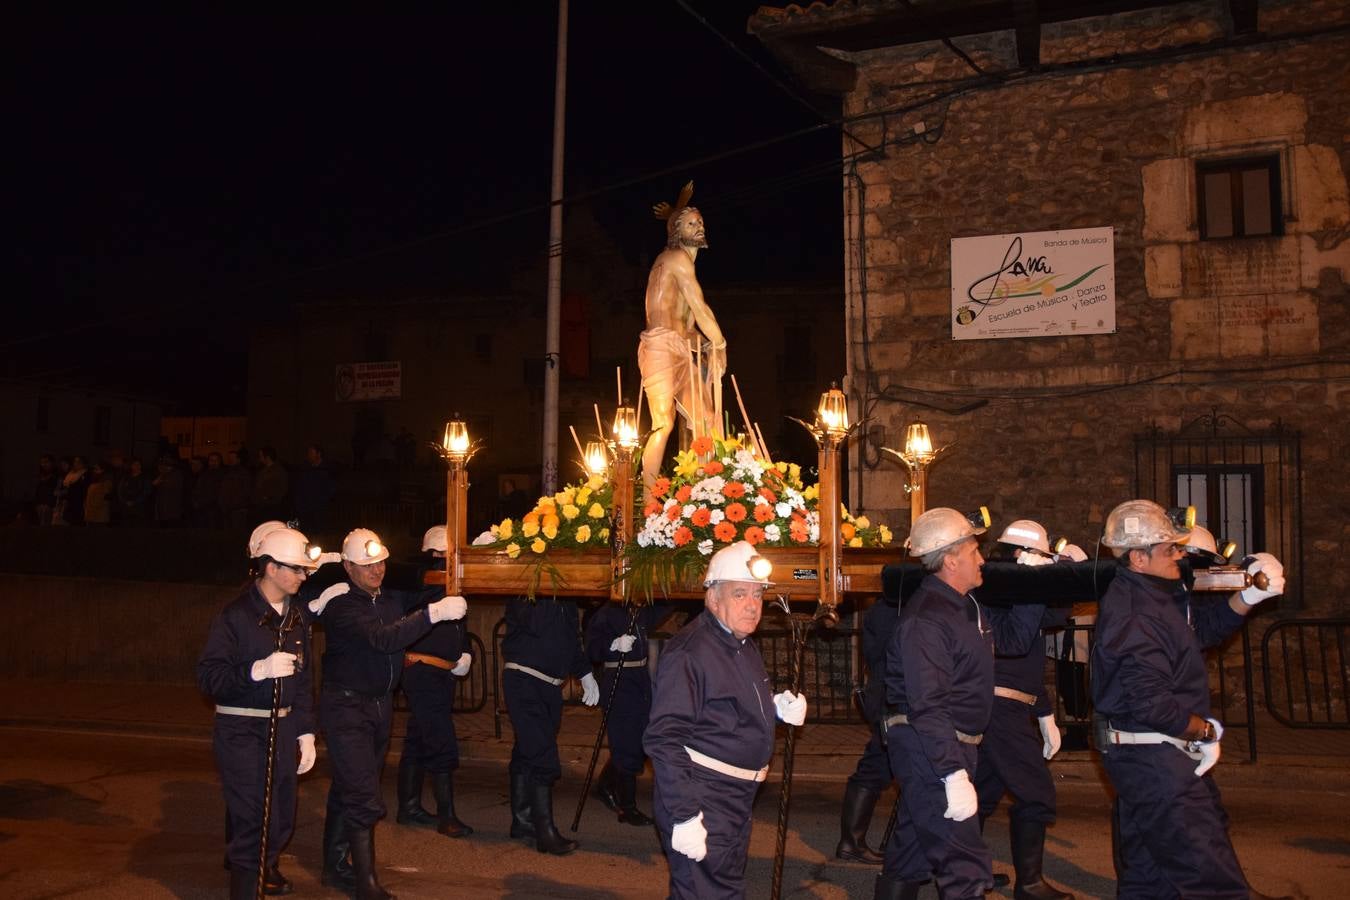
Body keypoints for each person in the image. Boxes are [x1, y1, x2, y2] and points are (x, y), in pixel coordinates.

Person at [1093, 500, 1289, 900]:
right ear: (1138, 558)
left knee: (1150, 879)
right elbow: (1151, 704)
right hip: (1154, 760)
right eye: (1170, 549)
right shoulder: (1136, 613)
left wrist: (1247, 598)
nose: (1179, 555)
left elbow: (1197, 632)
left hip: (1149, 758)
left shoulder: (1156, 595)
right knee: (1211, 878)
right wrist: (1202, 729)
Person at [876, 508, 1045, 900]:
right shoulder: (928, 620)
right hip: (931, 749)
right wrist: (951, 774)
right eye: (973, 550)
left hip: (949, 747)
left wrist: (1033, 583)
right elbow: (927, 704)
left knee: (910, 854)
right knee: (965, 868)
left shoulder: (967, 606)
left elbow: (1016, 641)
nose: (982, 558)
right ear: (951, 559)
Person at [645, 541, 808, 899]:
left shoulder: (740, 643)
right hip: (704, 797)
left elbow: (724, 709)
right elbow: (664, 738)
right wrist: (686, 816)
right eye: (739, 594)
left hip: (734, 799)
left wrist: (775, 707)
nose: (752, 605)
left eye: (757, 595)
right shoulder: (690, 652)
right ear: (713, 598)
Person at [316, 527, 467, 899]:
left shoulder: (387, 598)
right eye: (366, 565)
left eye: (380, 561)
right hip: (347, 706)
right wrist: (433, 613)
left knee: (348, 788)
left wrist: (465, 566)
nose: (376, 569)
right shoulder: (342, 605)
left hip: (380, 706)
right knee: (364, 795)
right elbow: (385, 638)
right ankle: (366, 883)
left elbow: (424, 583)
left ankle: (335, 865)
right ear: (348, 567)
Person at [196, 524, 319, 898]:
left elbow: (304, 681)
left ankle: (262, 872)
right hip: (241, 730)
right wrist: (256, 671)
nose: (303, 576)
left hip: (281, 731)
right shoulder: (236, 616)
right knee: (253, 823)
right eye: (295, 568)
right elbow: (209, 676)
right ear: (270, 568)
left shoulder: (296, 617)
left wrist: (305, 731)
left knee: (280, 820)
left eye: (304, 569)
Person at [975, 520, 1074, 900]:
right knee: (1036, 794)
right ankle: (1029, 885)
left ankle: (971, 872)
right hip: (999, 708)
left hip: (1010, 707)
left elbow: (1052, 618)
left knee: (982, 793)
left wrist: (1064, 575)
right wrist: (1032, 587)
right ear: (1018, 555)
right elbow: (1015, 642)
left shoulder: (1018, 594)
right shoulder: (991, 594)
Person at [639, 182, 726, 494]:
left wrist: (704, 343)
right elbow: (700, 309)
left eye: (700, 221)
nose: (698, 225)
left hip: (678, 347)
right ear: (676, 231)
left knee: (708, 419)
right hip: (660, 345)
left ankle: (709, 492)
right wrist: (720, 343)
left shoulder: (684, 266)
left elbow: (688, 325)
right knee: (663, 423)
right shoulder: (675, 258)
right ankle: (648, 499)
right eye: (691, 222)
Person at [502, 587, 600, 855]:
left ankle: (522, 822)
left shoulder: (566, 598)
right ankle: (545, 832)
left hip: (549, 687)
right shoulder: (526, 592)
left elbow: (569, 639)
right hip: (525, 681)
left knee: (527, 751)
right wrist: (546, 586)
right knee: (542, 753)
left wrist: (584, 672)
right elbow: (535, 622)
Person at [395, 525, 474, 839]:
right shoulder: (421, 585)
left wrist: (465, 653)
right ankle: (447, 815)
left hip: (443, 673)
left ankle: (409, 807)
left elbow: (459, 626)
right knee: (441, 740)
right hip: (422, 671)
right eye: (442, 557)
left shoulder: (451, 584)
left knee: (418, 738)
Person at [584, 598, 675, 827]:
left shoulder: (641, 611)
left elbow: (665, 606)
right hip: (619, 681)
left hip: (640, 681)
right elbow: (593, 648)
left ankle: (606, 783)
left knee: (644, 738)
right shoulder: (606, 613)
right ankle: (628, 807)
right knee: (626, 742)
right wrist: (613, 645)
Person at [835, 591, 898, 865]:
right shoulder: (888, 610)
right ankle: (851, 842)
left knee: (883, 765)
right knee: (877, 765)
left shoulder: (891, 608)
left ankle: (853, 841)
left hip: (888, 696)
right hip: (889, 699)